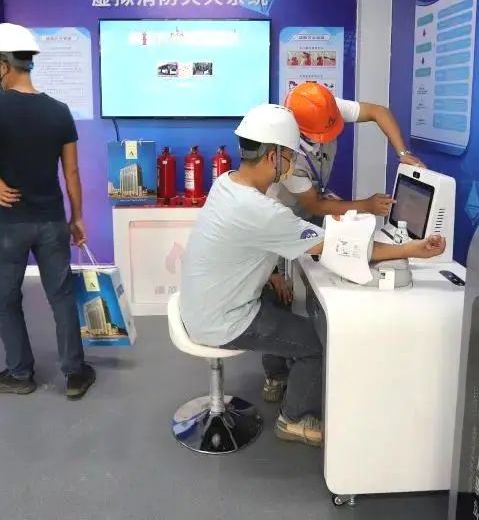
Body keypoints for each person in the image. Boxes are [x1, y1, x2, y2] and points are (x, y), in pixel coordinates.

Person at [178, 104, 447, 448]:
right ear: (273, 157)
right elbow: (341, 247)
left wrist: (271, 274)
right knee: (317, 343)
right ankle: (293, 420)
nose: (292, 163)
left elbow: (240, 245)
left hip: (199, 303)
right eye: (290, 156)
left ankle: (277, 377)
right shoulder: (262, 211)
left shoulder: (226, 183)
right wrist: (411, 250)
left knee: (281, 296)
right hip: (220, 320)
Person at [0, 22, 95, 400]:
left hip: (8, 223)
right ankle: (75, 374)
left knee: (6, 300)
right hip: (51, 221)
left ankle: (20, 374)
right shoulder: (59, 111)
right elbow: (71, 173)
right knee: (61, 296)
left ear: (2, 63)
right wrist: (77, 218)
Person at [271, 81, 427, 224]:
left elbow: (379, 112)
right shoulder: (286, 154)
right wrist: (367, 205)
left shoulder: (327, 109)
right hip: (284, 214)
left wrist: (403, 153)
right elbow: (314, 206)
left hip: (313, 202)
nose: (328, 139)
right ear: (299, 129)